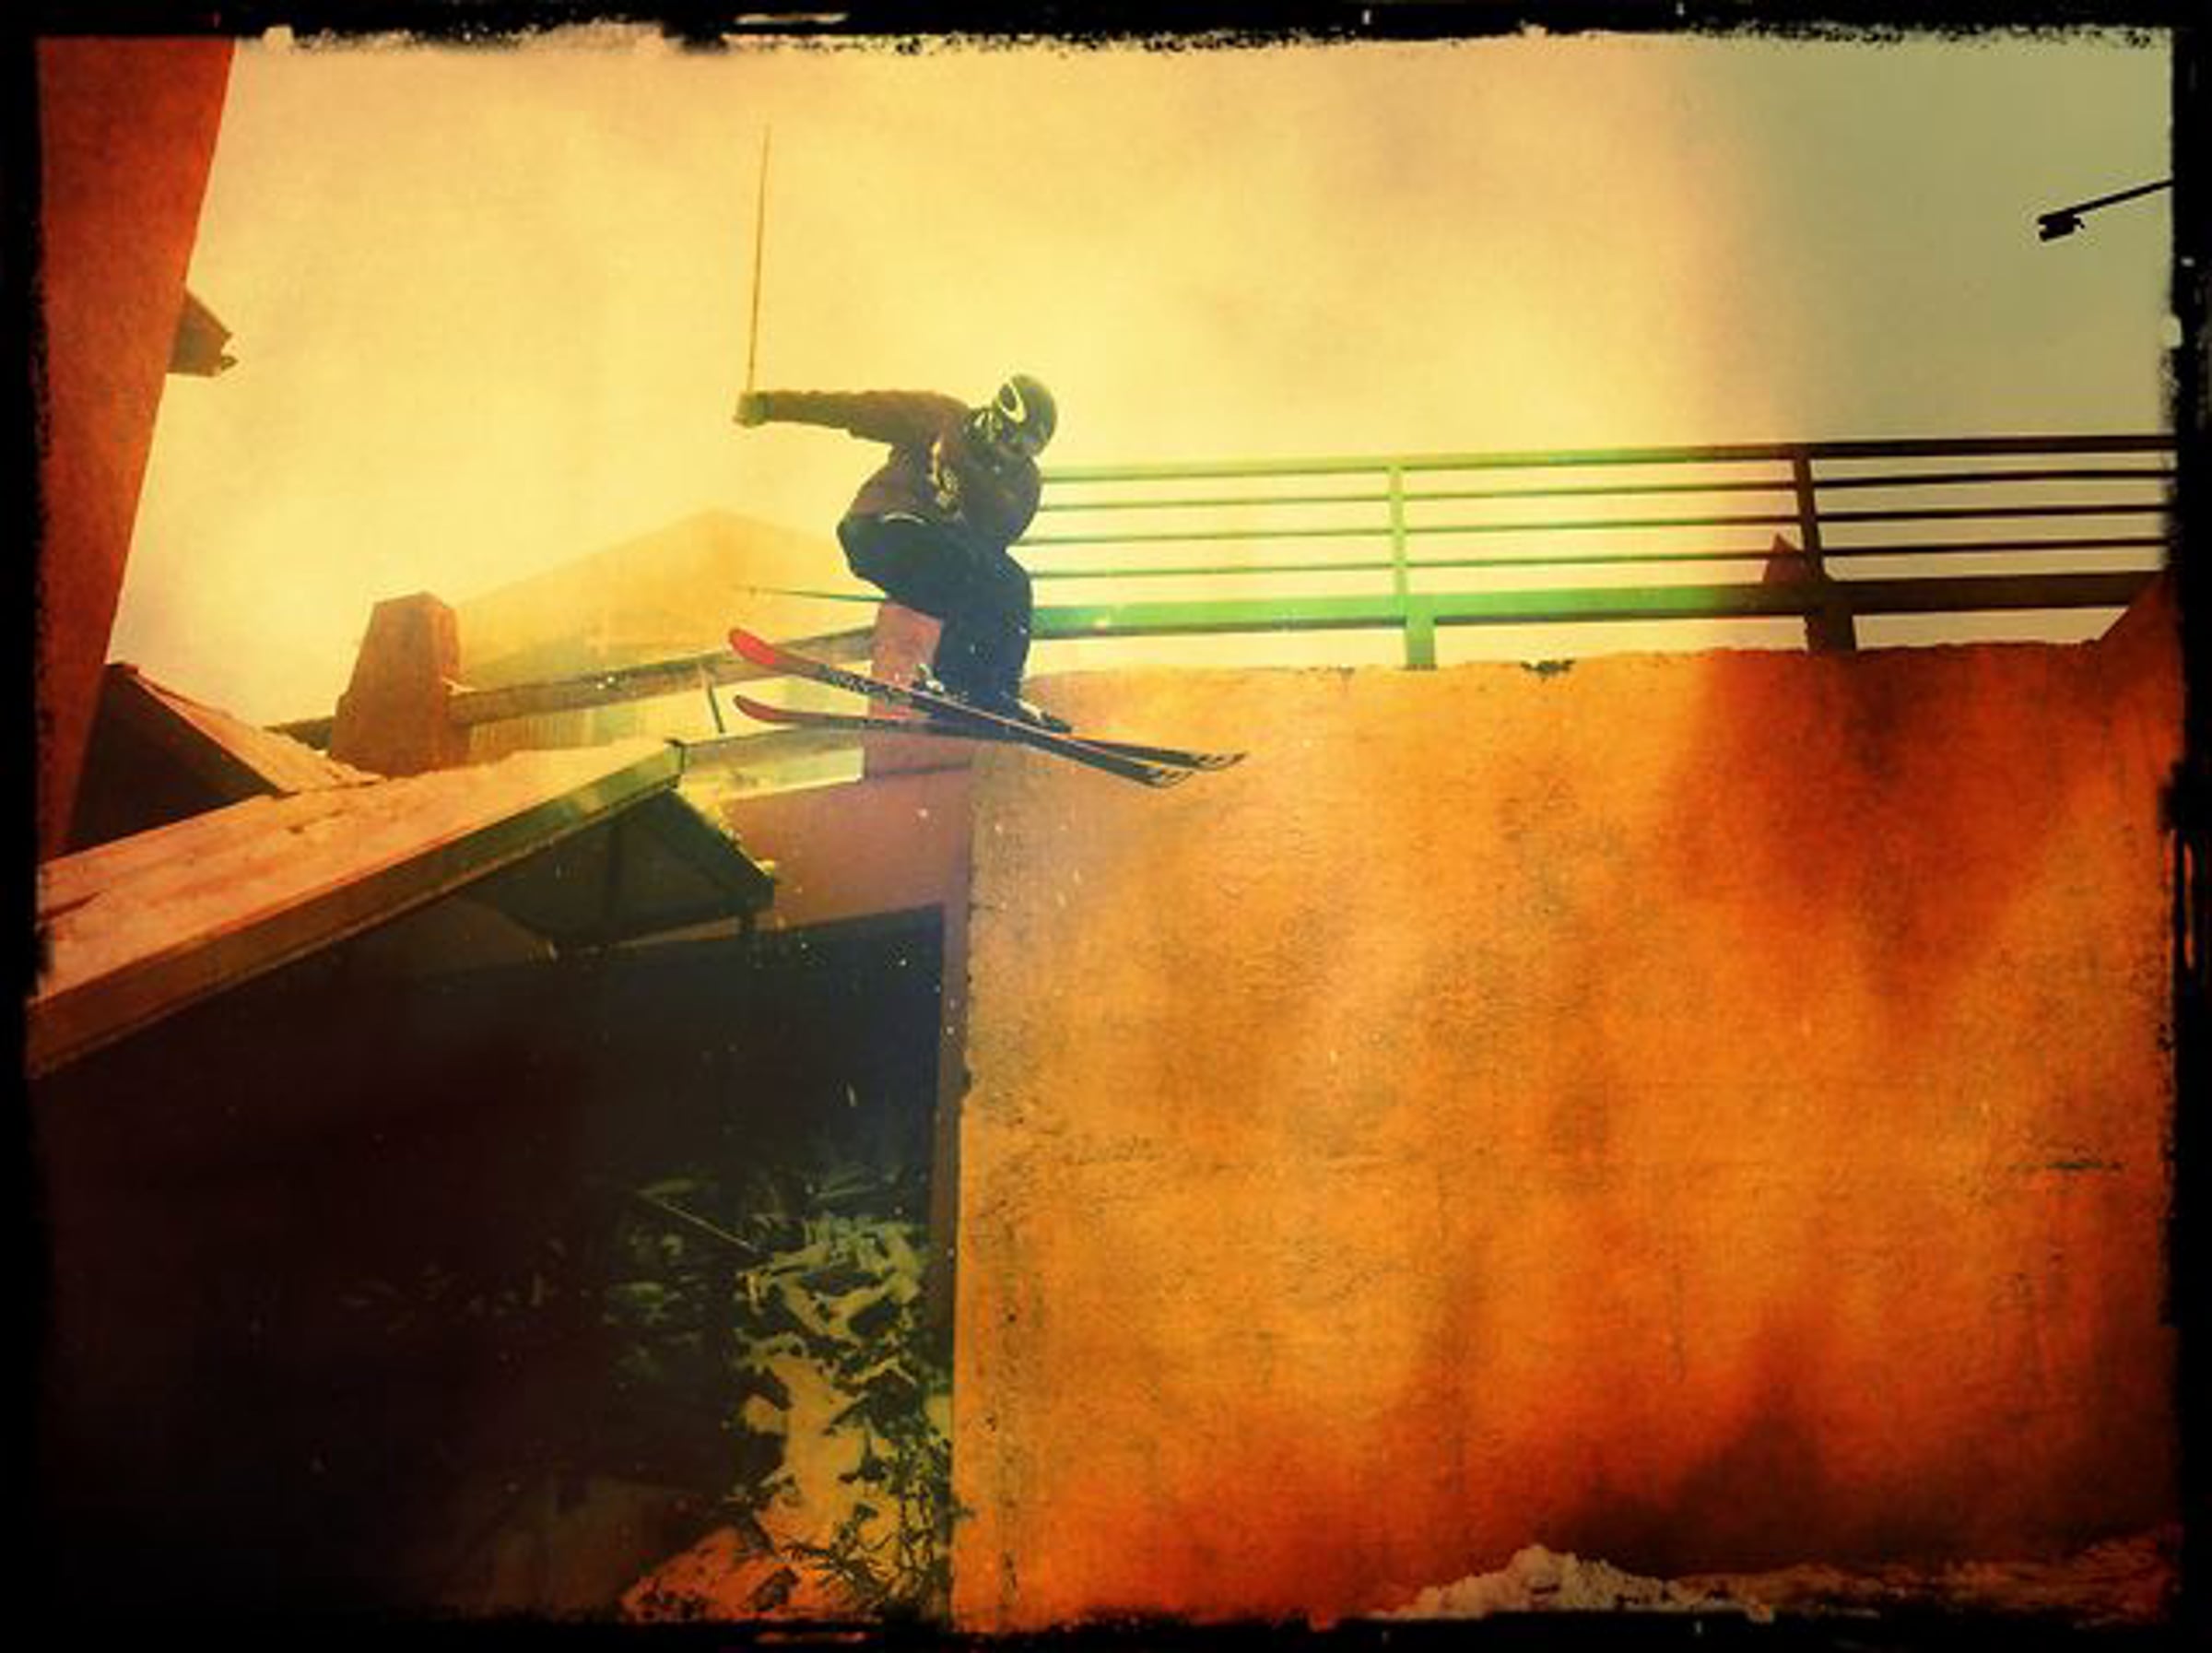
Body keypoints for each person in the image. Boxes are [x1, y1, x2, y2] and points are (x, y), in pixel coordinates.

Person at [734, 374, 1069, 731]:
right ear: (995, 420)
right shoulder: (941, 418)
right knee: (963, 568)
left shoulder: (1023, 485)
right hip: (881, 529)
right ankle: (960, 685)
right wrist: (771, 406)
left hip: (938, 553)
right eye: (1014, 441)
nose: (1014, 454)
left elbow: (993, 550)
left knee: (1010, 584)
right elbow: (854, 409)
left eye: (1027, 450)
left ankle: (988, 693)